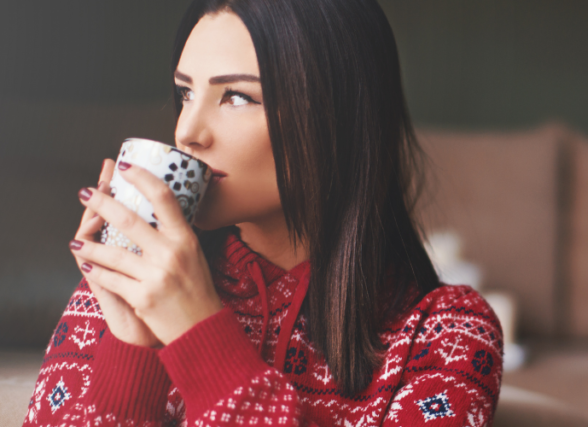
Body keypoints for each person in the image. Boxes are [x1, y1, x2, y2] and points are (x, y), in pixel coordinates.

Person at [23, 0, 503, 425]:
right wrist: (132, 352)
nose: (187, 131)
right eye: (185, 93)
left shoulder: (447, 336)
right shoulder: (122, 286)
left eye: (237, 96)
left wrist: (199, 335)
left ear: (337, 118)